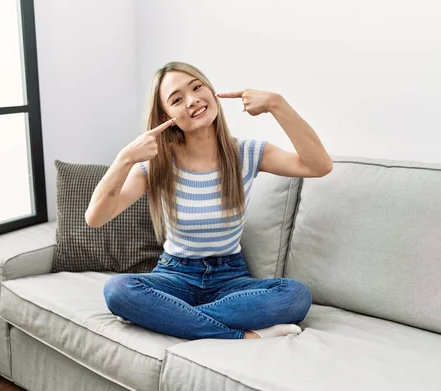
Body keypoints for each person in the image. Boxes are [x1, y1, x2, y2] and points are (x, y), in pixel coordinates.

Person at [85, 61, 332, 340]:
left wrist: (277, 104)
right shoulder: (157, 165)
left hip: (230, 277)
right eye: (177, 99)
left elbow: (319, 166)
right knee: (118, 290)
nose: (192, 100)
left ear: (211, 91)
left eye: (197, 87)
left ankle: (171, 316)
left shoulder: (247, 153)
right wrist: (125, 158)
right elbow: (95, 217)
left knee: (295, 296)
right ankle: (244, 335)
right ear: (165, 114)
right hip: (175, 275)